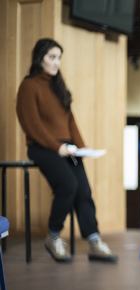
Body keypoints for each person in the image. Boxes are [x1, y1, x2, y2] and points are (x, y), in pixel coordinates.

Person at [16, 38, 117, 263]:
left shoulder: (58, 86)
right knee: (68, 185)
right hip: (42, 147)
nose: (56, 62)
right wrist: (57, 147)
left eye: (59, 58)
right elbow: (31, 124)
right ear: (39, 58)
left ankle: (94, 242)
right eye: (52, 57)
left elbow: (70, 122)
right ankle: (53, 237)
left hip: (67, 148)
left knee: (84, 192)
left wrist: (82, 148)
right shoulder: (29, 86)